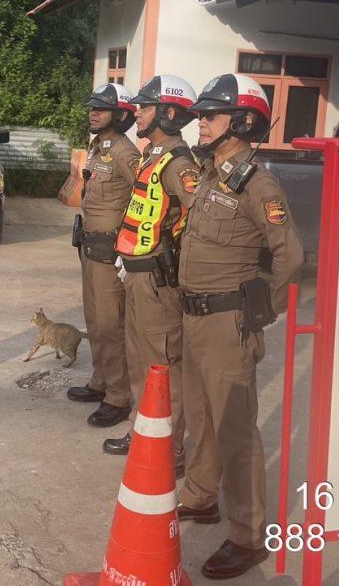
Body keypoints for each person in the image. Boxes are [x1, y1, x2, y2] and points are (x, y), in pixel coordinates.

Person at [175, 73, 304, 579]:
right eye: (201, 115)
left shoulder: (258, 184)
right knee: (201, 418)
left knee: (235, 431)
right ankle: (201, 495)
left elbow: (289, 256)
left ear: (244, 121)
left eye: (211, 115)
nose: (201, 122)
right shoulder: (211, 174)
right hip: (194, 318)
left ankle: (248, 536)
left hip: (229, 323)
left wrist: (261, 309)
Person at [102, 75, 201, 479]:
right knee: (141, 361)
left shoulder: (179, 164)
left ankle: (170, 449)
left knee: (164, 366)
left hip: (159, 283)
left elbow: (200, 217)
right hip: (137, 275)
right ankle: (142, 432)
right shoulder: (152, 155)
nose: (137, 113)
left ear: (168, 113)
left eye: (144, 107)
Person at [65, 83, 140, 428]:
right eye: (92, 107)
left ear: (121, 115)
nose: (93, 113)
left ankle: (118, 396)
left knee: (112, 325)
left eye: (101, 108)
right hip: (90, 248)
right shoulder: (98, 148)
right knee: (95, 321)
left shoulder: (126, 154)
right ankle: (100, 381)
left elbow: (147, 198)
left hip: (112, 254)